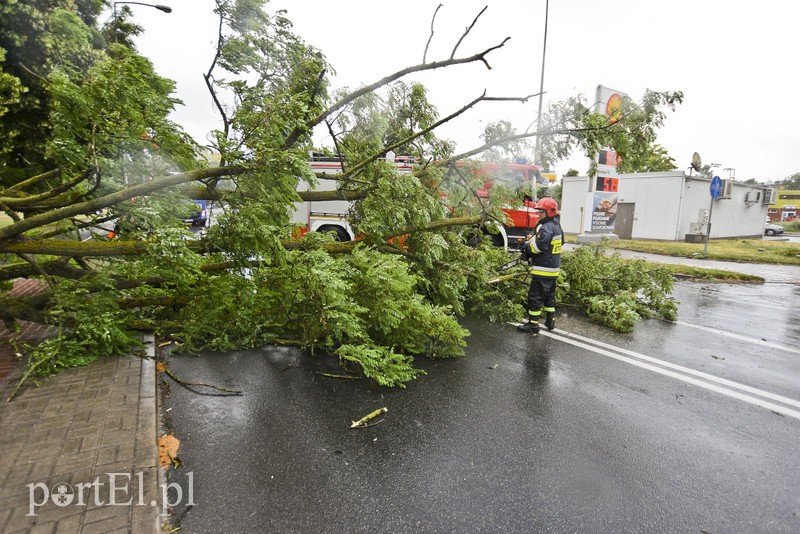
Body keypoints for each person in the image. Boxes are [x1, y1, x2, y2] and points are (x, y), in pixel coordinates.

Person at [517, 197, 563, 334]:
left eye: (541, 212)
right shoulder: (557, 226)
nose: (539, 214)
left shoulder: (546, 227)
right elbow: (560, 243)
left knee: (535, 297)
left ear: (550, 212)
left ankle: (533, 324)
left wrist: (526, 248)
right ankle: (550, 320)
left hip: (543, 270)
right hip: (553, 270)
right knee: (549, 296)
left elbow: (539, 247)